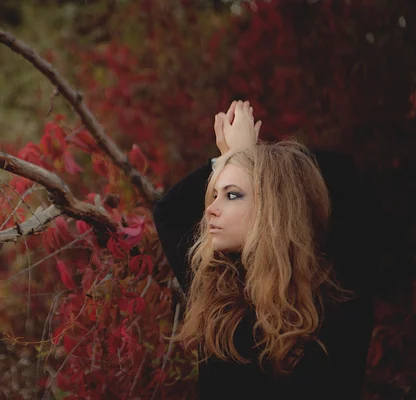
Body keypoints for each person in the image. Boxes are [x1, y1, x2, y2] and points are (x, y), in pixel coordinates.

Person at [153, 101, 375, 400]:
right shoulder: (218, 295)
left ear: (275, 206)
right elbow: (169, 212)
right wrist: (232, 159)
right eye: (214, 194)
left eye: (232, 195)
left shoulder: (333, 295)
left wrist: (247, 156)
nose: (210, 210)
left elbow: (345, 176)